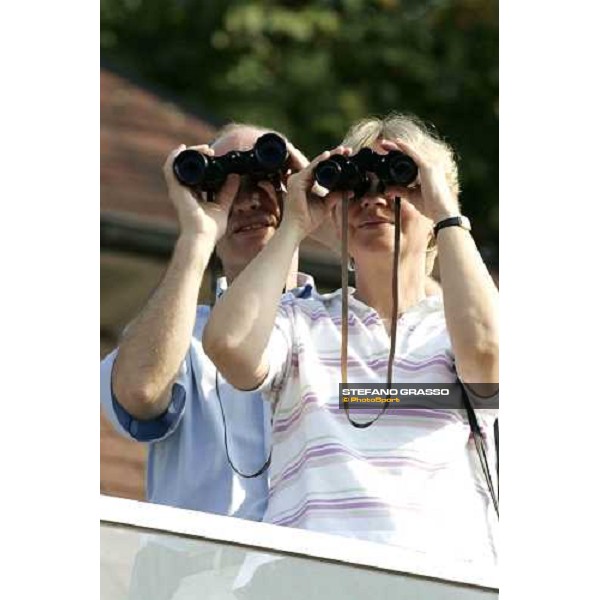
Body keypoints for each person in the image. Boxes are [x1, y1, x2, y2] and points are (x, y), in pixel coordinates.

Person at [203, 113, 499, 568]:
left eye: (398, 185)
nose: (374, 201)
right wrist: (295, 225)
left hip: (440, 577)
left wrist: (445, 211)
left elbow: (488, 359)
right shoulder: (300, 319)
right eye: (356, 189)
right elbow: (228, 345)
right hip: (309, 577)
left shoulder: (457, 325)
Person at [100, 123, 323, 520]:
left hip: (310, 576)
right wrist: (196, 237)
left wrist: (329, 217)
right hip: (196, 576)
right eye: (223, 186)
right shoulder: (179, 336)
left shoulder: (345, 331)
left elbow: (455, 392)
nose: (245, 202)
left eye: (263, 180)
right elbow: (139, 391)